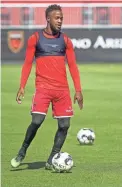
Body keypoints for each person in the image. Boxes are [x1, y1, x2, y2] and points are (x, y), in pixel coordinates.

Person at [11, 4, 83, 170]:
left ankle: (52, 158)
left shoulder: (65, 41)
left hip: (62, 90)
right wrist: (22, 86)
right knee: (37, 121)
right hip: (43, 88)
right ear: (48, 18)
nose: (60, 21)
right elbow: (28, 63)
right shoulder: (35, 39)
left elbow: (72, 65)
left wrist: (78, 90)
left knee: (64, 126)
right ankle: (22, 151)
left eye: (61, 18)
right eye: (57, 18)